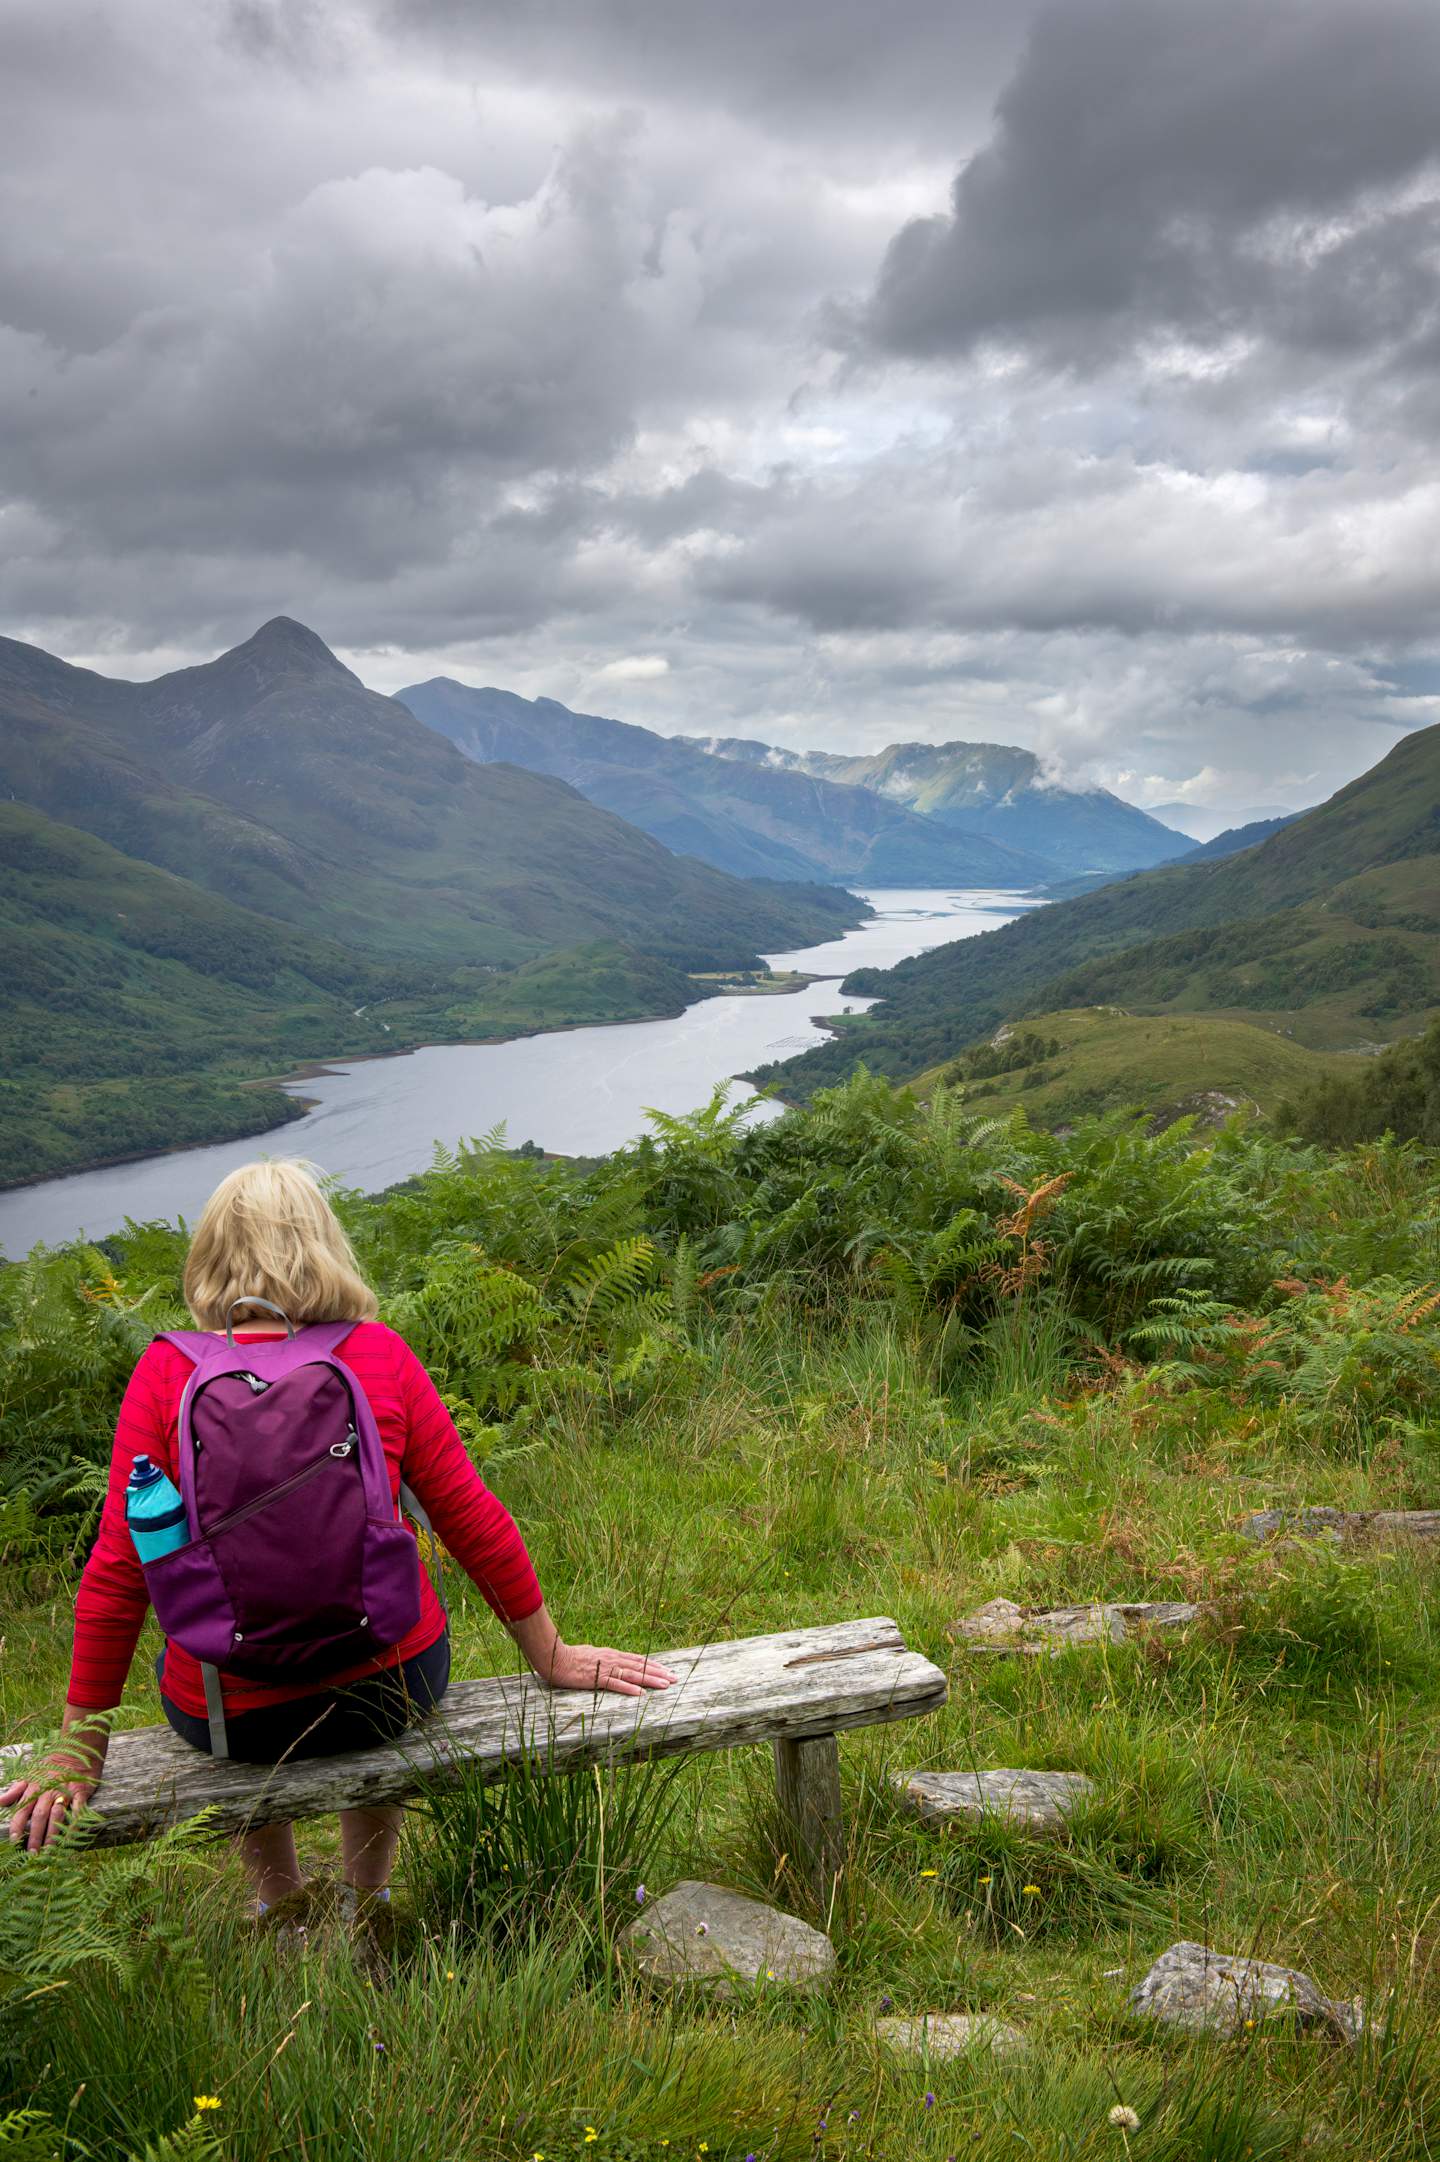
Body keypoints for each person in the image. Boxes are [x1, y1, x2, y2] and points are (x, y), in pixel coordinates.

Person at [2, 1160, 674, 1919]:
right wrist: (550, 1654)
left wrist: (78, 1747)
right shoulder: (378, 1354)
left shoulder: (166, 1374)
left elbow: (121, 1570)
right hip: (388, 1694)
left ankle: (281, 1905)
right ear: (324, 1244)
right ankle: (370, 1898)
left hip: (232, 1719)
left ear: (211, 1253)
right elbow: (470, 1518)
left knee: (193, 1646)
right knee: (397, 1604)